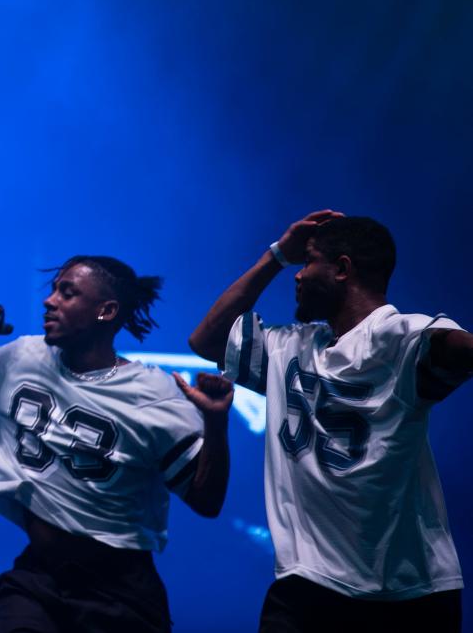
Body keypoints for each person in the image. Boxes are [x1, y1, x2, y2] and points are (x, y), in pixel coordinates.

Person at [189, 211, 472, 631]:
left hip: (411, 591)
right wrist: (276, 256)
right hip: (308, 583)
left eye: (307, 262)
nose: (297, 276)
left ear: (341, 269)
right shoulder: (289, 347)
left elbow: (457, 349)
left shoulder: (400, 336)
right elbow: (205, 339)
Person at [0, 256, 233, 632]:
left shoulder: (153, 395)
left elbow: (207, 501)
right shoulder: (25, 355)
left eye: (67, 293)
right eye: (54, 290)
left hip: (118, 590)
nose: (49, 301)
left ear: (106, 311)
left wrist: (216, 426)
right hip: (38, 575)